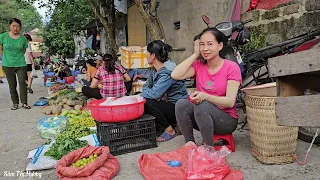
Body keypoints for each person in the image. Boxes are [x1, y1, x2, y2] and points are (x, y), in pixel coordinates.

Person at [171, 28, 242, 146]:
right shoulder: (199, 65)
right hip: (202, 118)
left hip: (226, 120)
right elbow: (175, 75)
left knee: (202, 105)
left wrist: (204, 96)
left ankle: (208, 150)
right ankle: (190, 144)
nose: (205, 49)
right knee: (181, 104)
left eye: (210, 44)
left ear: (220, 46)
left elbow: (230, 102)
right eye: (202, 45)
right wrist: (195, 54)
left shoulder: (231, 67)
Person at [141, 40, 188, 142]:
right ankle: (162, 126)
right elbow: (147, 86)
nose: (146, 56)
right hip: (165, 103)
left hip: (177, 107)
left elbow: (154, 94)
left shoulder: (168, 71)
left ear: (153, 55)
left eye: (147, 53)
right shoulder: (154, 70)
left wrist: (146, 92)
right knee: (143, 100)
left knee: (146, 102)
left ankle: (170, 130)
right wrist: (146, 92)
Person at [0, 18, 31, 110]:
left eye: (18, 26)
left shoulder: (23, 39)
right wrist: (5, 57)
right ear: (9, 26)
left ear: (20, 28)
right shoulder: (3, 36)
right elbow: (0, 49)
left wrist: (16, 57)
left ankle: (24, 102)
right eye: (13, 26)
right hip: (7, 65)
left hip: (21, 64)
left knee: (22, 82)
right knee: (12, 84)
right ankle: (15, 103)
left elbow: (24, 50)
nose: (15, 28)